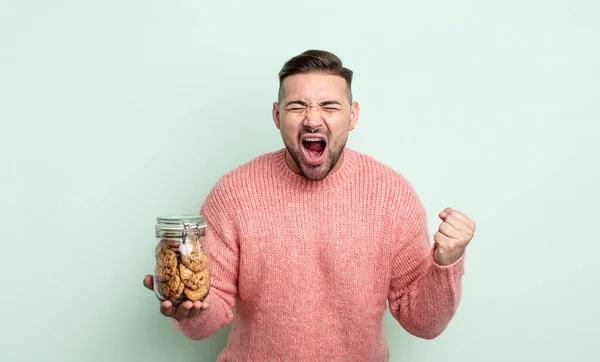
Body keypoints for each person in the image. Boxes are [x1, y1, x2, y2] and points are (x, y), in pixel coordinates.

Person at [143, 49, 476, 361]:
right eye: (296, 106)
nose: (313, 120)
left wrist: (446, 263)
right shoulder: (234, 192)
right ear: (277, 115)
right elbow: (208, 318)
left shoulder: (392, 195)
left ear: (353, 115)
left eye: (329, 106)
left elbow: (424, 323)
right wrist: (191, 310)